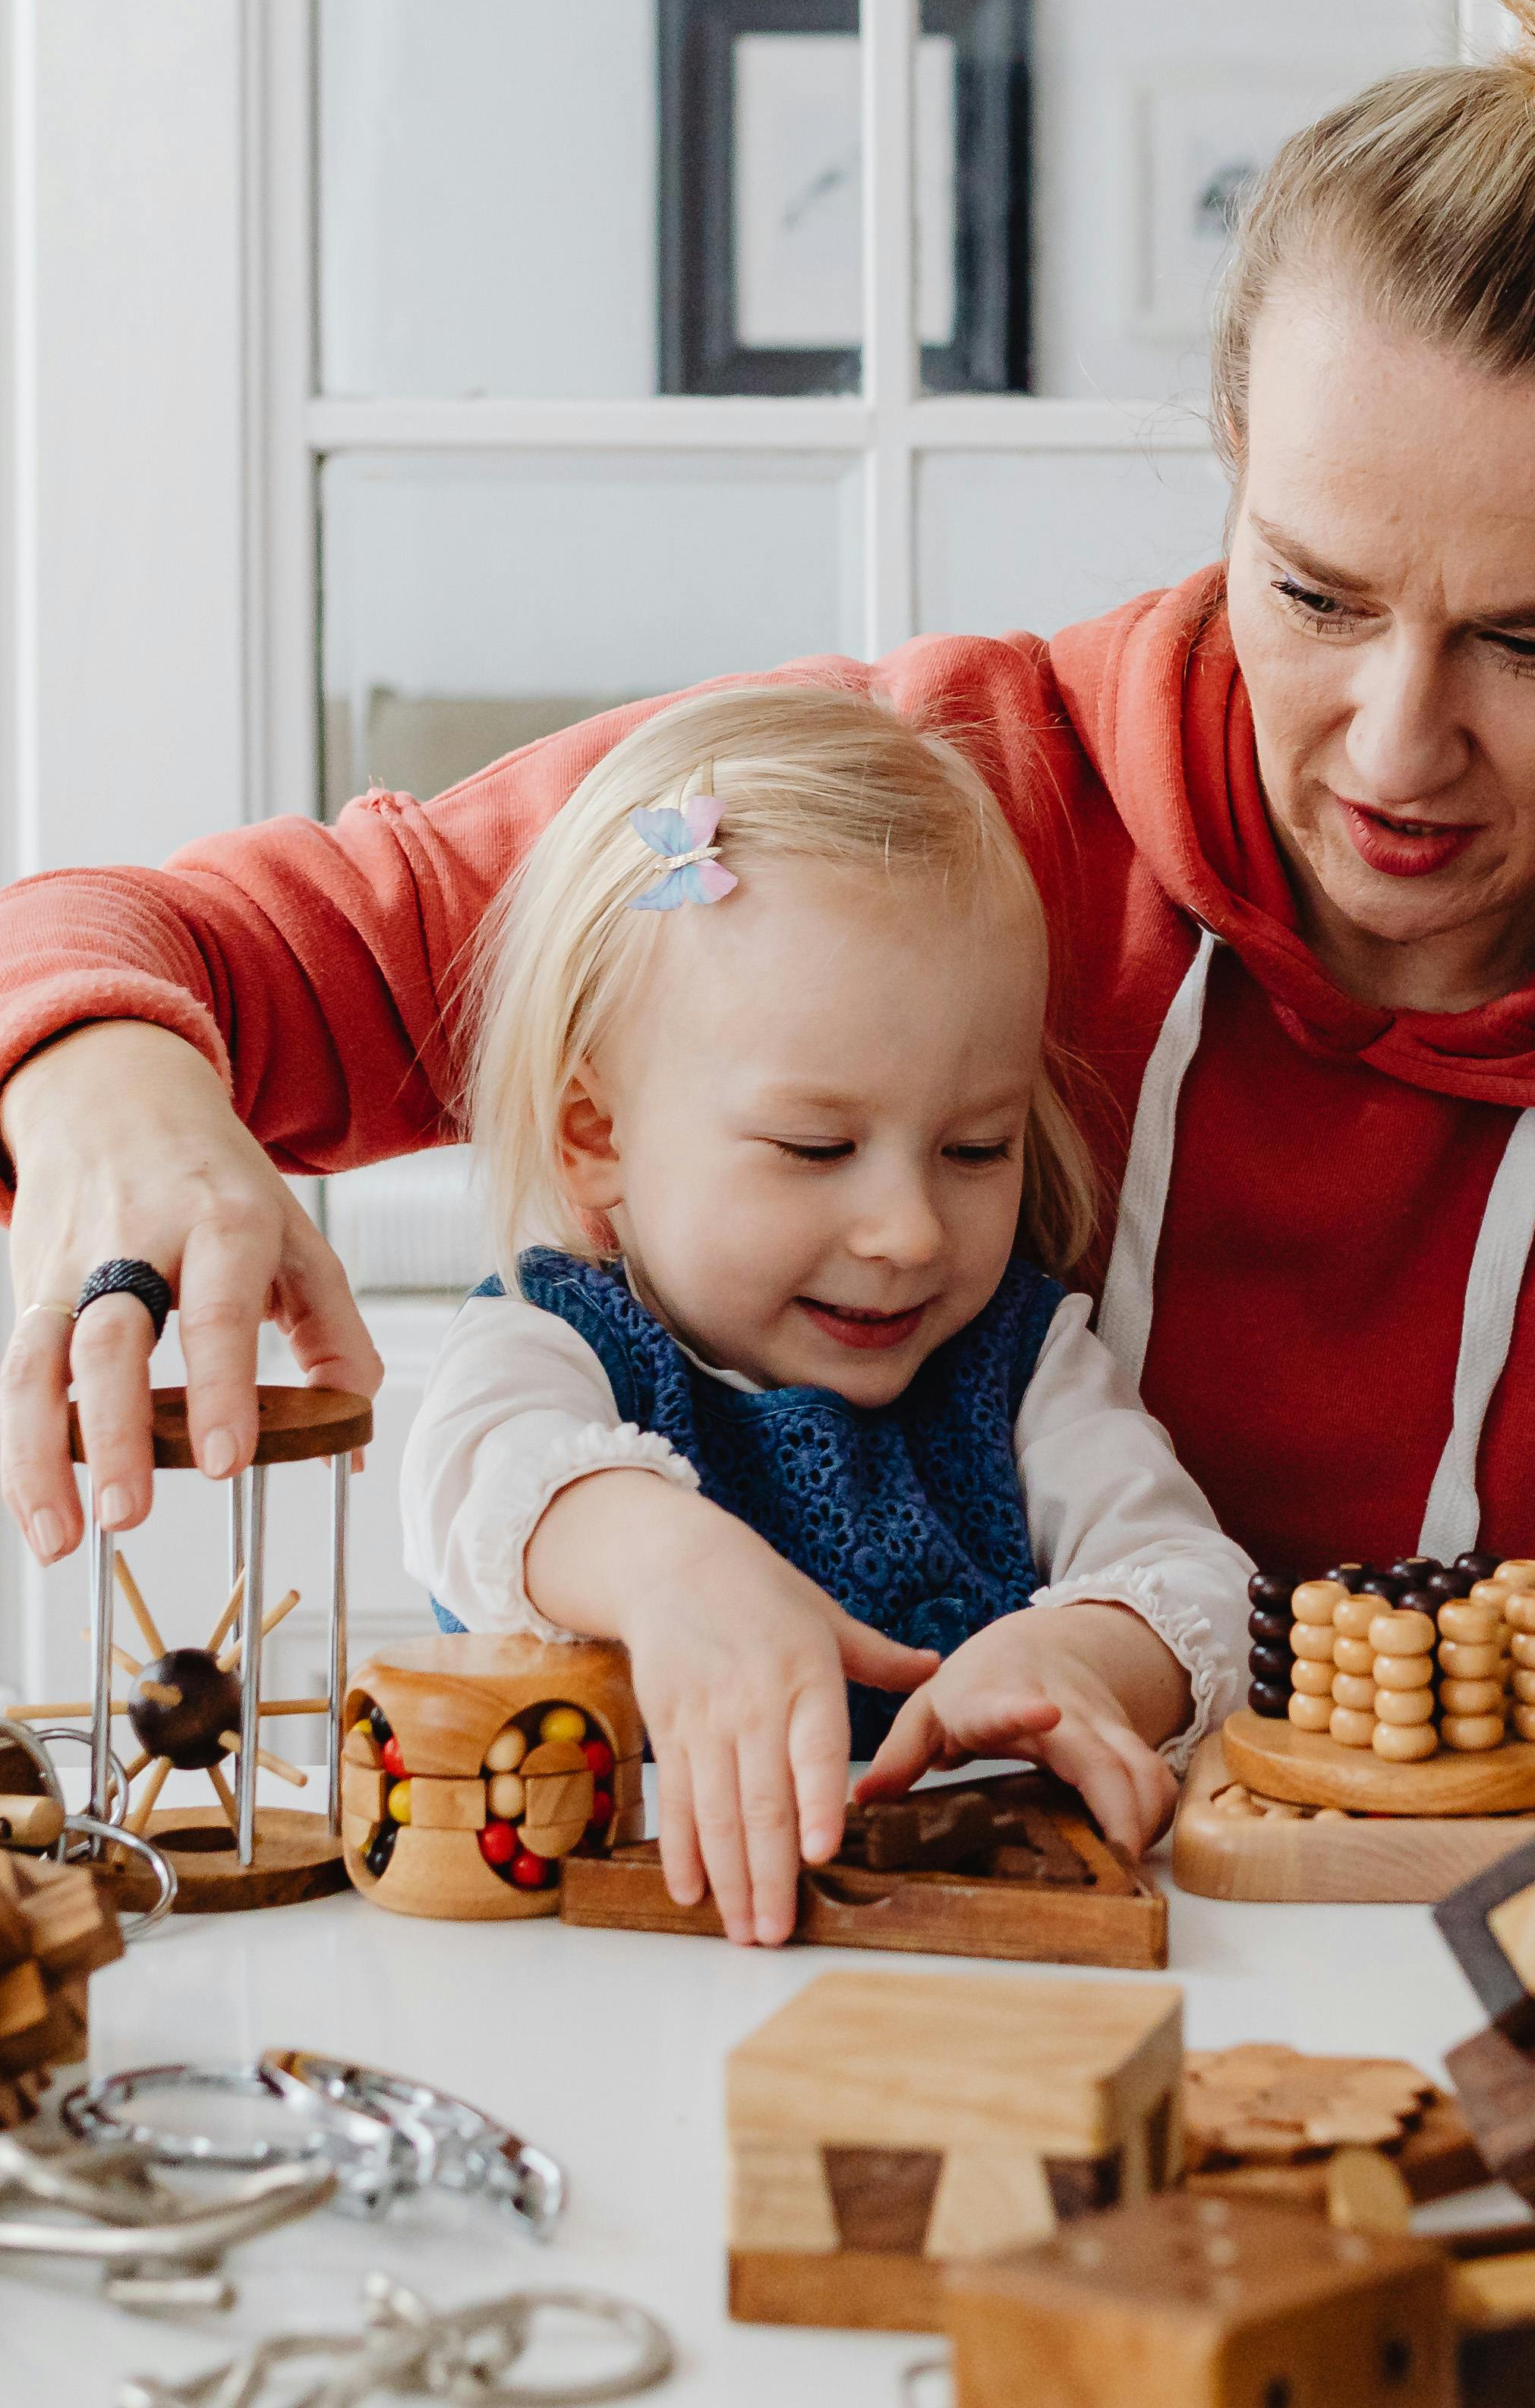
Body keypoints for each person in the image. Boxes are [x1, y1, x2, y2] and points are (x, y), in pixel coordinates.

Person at [0, 0, 1535, 1708]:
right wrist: (120, 1101)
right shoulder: (907, 827)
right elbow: (114, 942)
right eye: (1314, 593)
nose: (1397, 742)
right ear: (1233, 468)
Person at [402, 684, 1246, 1943]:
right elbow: (473, 1478)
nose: (907, 1232)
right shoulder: (552, 1339)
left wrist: (1079, 1659)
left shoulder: (1022, 1368)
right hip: (617, 1965)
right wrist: (668, 1569)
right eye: (814, 1146)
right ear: (597, 1137)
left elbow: (1193, 1577)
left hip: (958, 1970)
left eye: (974, 1149)